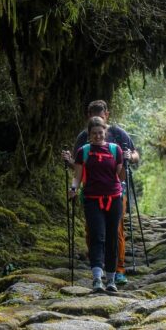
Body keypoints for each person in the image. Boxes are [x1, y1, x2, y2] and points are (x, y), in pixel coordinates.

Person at [62, 100, 139, 285]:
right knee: (94, 232)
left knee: (116, 231)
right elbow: (79, 165)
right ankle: (98, 269)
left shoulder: (118, 135)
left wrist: (129, 157)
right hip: (92, 191)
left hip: (116, 191)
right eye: (93, 114)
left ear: (107, 116)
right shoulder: (83, 139)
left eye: (101, 114)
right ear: (88, 116)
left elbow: (133, 157)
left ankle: (118, 270)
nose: (97, 118)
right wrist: (69, 165)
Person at [69, 117, 123, 292]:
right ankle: (97, 279)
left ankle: (111, 280)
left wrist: (126, 162)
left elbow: (120, 177)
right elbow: (77, 176)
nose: (98, 136)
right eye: (94, 133)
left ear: (105, 132)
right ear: (89, 134)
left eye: (100, 133)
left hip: (114, 199)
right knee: (97, 237)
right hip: (92, 199)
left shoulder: (116, 150)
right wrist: (73, 188)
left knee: (112, 237)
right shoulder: (83, 151)